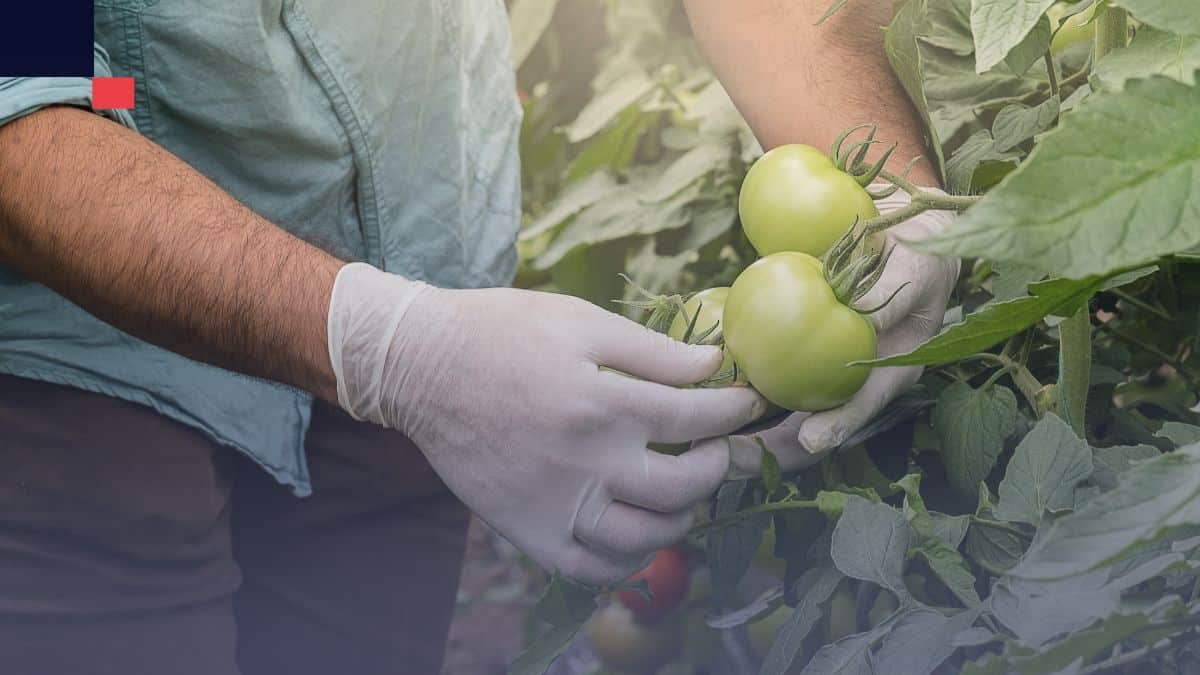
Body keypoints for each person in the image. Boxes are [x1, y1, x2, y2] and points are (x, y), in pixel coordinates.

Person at [0, 1, 957, 673]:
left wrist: (892, 198)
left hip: (417, 263)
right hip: (80, 357)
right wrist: (392, 349)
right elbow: (19, 93)